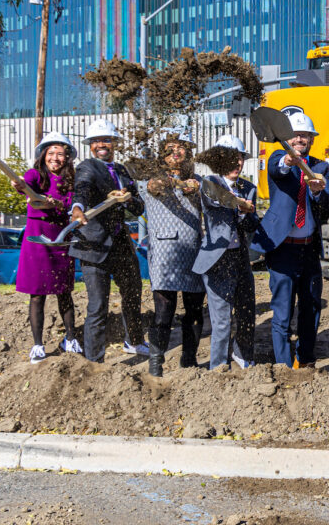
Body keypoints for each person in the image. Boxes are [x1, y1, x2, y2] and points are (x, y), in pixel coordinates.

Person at [251, 111, 329, 367]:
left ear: (312, 139)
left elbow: (328, 204)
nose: (300, 139)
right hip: (283, 249)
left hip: (308, 250)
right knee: (283, 310)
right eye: (297, 135)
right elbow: (278, 170)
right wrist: (290, 160)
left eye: (305, 136)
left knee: (310, 307)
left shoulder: (320, 167)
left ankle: (306, 360)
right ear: (289, 137)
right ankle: (284, 364)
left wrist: (318, 194)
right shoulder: (279, 157)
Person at [69, 119, 148, 364]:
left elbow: (139, 206)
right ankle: (94, 360)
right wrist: (77, 208)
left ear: (114, 143)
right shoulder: (87, 167)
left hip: (121, 244)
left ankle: (134, 341)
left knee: (133, 294)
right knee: (98, 305)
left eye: (106, 140)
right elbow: (81, 189)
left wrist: (127, 201)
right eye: (96, 141)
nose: (101, 145)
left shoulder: (123, 172)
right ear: (90, 146)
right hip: (94, 245)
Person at [136, 132, 206, 376]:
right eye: (170, 148)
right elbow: (153, 188)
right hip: (165, 252)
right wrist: (169, 182)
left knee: (194, 309)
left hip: (193, 251)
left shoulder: (197, 181)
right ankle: (156, 364)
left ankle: (189, 361)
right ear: (162, 154)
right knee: (164, 310)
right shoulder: (151, 179)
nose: (176, 152)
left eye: (182, 148)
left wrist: (197, 188)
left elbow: (207, 203)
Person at [193, 134, 259, 370]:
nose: (237, 163)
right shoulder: (209, 183)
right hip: (216, 258)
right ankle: (218, 366)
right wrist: (239, 203)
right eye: (231, 158)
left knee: (246, 311)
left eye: (240, 157)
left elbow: (253, 224)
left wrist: (248, 214)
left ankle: (243, 356)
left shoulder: (249, 187)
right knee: (221, 319)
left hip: (239, 257)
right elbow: (217, 201)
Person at [12, 132, 79, 363]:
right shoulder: (35, 175)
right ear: (43, 156)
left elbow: (71, 205)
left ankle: (71, 338)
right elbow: (24, 185)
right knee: (37, 295)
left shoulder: (72, 180)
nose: (55, 158)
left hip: (60, 238)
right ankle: (38, 345)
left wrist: (58, 204)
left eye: (60, 154)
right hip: (36, 240)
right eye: (51, 153)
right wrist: (19, 185)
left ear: (67, 158)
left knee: (64, 292)